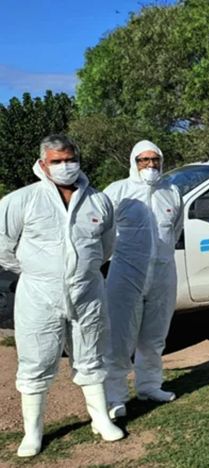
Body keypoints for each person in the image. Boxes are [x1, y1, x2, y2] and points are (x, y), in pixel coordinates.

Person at [0, 135, 123, 457]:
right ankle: (33, 433)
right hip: (39, 293)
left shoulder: (98, 201)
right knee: (36, 361)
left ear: (79, 160)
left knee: (91, 355)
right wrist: (39, 272)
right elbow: (3, 247)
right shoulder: (21, 201)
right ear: (43, 164)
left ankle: (101, 420)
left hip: (88, 292)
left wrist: (83, 270)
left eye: (70, 159)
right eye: (57, 161)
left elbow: (106, 246)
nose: (65, 166)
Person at [104, 140, 183, 418]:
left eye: (155, 160)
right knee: (120, 337)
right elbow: (104, 231)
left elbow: (175, 230)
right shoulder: (118, 192)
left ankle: (150, 386)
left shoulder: (171, 191)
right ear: (133, 162)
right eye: (143, 160)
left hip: (162, 271)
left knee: (154, 335)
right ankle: (114, 397)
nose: (150, 166)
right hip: (126, 272)